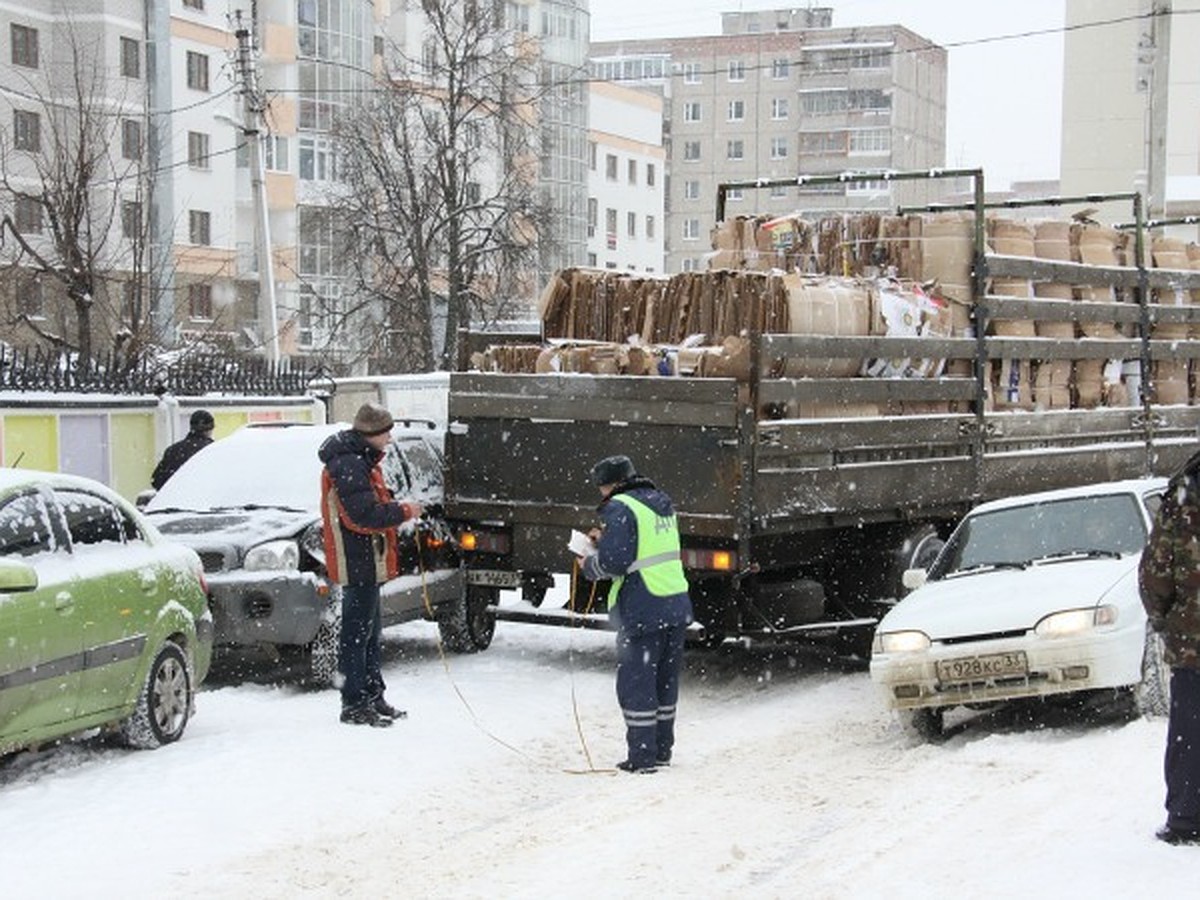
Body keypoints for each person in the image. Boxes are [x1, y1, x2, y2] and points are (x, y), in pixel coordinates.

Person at [577, 455, 693, 773]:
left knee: (636, 683)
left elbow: (616, 562)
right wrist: (607, 538)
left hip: (644, 606)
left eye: (602, 488)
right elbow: (646, 546)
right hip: (674, 601)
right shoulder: (660, 502)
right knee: (664, 683)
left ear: (611, 485)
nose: (602, 495)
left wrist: (588, 565)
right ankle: (660, 751)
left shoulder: (620, 507)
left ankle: (641, 758)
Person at [318, 402, 423, 728]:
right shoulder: (349, 465)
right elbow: (362, 516)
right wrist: (403, 512)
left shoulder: (361, 461)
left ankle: (372, 695)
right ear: (373, 434)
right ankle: (354, 701)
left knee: (370, 632)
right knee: (356, 634)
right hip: (356, 560)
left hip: (368, 559)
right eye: (387, 432)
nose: (390, 438)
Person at [1139, 451, 1200, 846]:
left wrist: (1166, 620)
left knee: (1190, 732)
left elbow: (1155, 573)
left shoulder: (1184, 495)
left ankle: (1186, 817)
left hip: (1194, 644)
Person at [150, 409, 215, 490]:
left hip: (175, 500)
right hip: (204, 500)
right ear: (211, 429)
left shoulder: (172, 450)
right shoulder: (213, 450)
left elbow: (156, 481)